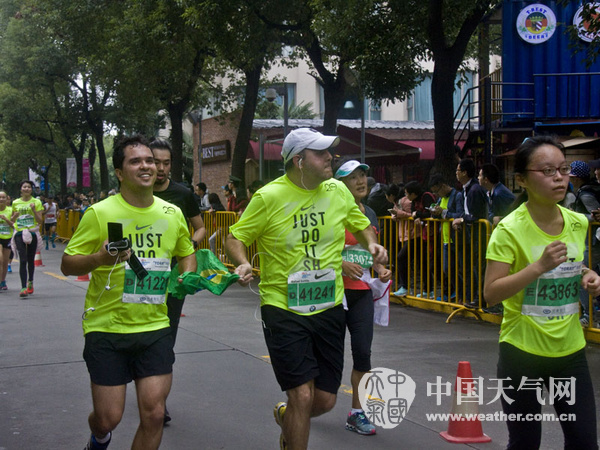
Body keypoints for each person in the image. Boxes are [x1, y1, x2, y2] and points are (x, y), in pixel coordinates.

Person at [225, 128, 387, 450]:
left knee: (324, 400)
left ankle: (288, 417)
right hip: (282, 306)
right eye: (321, 153)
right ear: (299, 161)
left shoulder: (336, 191)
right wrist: (242, 263)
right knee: (301, 394)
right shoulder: (269, 197)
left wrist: (372, 244)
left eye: (329, 152)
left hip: (328, 305)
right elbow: (235, 237)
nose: (330, 158)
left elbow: (361, 225)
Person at [61, 135, 197, 450]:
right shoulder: (100, 213)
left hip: (155, 327)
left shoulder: (171, 213)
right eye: (135, 161)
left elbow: (186, 252)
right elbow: (68, 264)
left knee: (155, 414)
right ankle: (99, 437)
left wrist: (187, 275)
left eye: (150, 160)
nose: (146, 166)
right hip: (107, 328)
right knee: (108, 417)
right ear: (120, 173)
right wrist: (99, 258)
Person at [484, 135, 599, 449]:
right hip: (522, 354)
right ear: (522, 180)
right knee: (525, 443)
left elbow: (572, 265)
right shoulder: (509, 230)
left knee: (584, 442)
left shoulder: (577, 222)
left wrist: (588, 275)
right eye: (547, 171)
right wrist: (538, 266)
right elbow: (491, 293)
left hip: (570, 352)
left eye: (563, 169)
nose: (559, 177)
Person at [150, 138, 207, 424]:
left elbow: (200, 228)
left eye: (166, 163)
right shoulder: (136, 191)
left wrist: (188, 248)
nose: (160, 169)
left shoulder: (183, 194)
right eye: (155, 162)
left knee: (166, 338)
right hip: (138, 277)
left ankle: (158, 402)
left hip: (173, 278)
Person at [333, 158, 392, 436]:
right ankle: (305, 400)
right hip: (333, 292)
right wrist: (340, 263)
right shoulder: (331, 211)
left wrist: (380, 269)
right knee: (328, 356)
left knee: (363, 353)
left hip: (362, 293)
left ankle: (357, 413)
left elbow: (371, 252)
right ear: (340, 184)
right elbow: (315, 249)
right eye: (352, 177)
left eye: (362, 176)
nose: (360, 182)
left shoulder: (369, 213)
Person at [567, 160, 600, 326]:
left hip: (592, 243)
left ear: (577, 178)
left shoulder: (586, 194)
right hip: (590, 242)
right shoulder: (588, 190)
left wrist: (574, 216)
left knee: (582, 277)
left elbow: (594, 216)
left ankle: (589, 315)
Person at [452, 158, 489, 307]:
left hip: (478, 234)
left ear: (465, 172)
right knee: (472, 267)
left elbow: (476, 215)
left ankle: (481, 298)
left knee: (479, 267)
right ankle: (474, 297)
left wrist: (461, 219)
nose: (456, 173)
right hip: (470, 234)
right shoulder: (467, 189)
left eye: (458, 170)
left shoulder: (474, 190)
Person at [429, 174, 464, 301]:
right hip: (445, 238)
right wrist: (434, 212)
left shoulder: (457, 196)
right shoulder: (441, 199)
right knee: (447, 269)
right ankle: (458, 291)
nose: (436, 194)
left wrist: (443, 212)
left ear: (443, 186)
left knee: (461, 268)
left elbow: (460, 215)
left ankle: (463, 293)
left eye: (437, 191)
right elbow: (438, 214)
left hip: (456, 238)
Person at [11, 180, 44, 298]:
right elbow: (12, 220)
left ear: (31, 189)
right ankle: (23, 287)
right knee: (23, 259)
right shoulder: (15, 202)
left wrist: (34, 210)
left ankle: (30, 281)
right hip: (20, 232)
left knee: (30, 259)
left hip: (32, 232)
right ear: (21, 189)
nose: (26, 189)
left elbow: (40, 221)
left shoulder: (37, 202)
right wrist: (14, 216)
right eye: (24, 187)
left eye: (29, 187)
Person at [0, 190, 14, 290]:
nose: (1, 199)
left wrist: (6, 219)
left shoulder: (10, 210)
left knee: (5, 262)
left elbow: (14, 225)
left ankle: (3, 281)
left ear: (7, 199)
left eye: (3, 197)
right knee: (0, 260)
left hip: (8, 238)